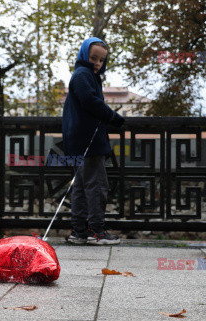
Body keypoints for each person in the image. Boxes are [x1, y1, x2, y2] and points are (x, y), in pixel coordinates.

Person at [62, 37, 125, 245]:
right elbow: (90, 102)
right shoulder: (83, 75)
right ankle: (96, 231)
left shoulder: (86, 75)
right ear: (83, 56)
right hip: (87, 140)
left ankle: (79, 232)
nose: (97, 63)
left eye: (101, 60)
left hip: (78, 140)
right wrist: (113, 117)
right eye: (93, 58)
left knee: (81, 186)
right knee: (97, 185)